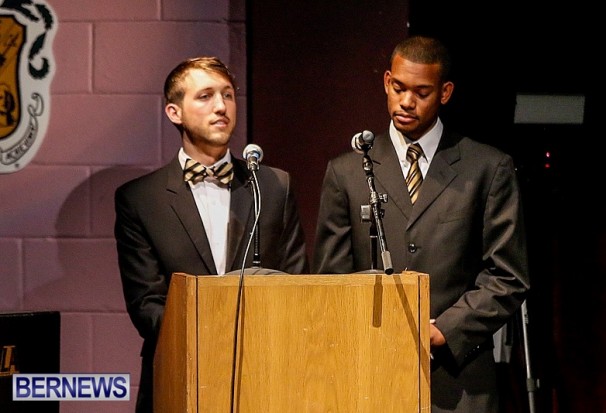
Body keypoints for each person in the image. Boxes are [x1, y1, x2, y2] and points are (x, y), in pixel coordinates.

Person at [312, 35, 530, 412]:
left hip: (460, 384)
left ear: (445, 92)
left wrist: (445, 329)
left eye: (421, 92)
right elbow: (331, 281)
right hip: (369, 378)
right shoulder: (346, 172)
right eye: (398, 88)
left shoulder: (487, 168)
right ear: (386, 82)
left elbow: (508, 276)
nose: (406, 102)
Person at [114, 56, 308, 413]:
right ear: (174, 112)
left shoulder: (272, 185)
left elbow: (296, 283)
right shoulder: (140, 199)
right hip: (180, 373)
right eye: (205, 96)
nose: (221, 107)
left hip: (265, 372)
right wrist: (214, 338)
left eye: (228, 95)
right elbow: (146, 304)